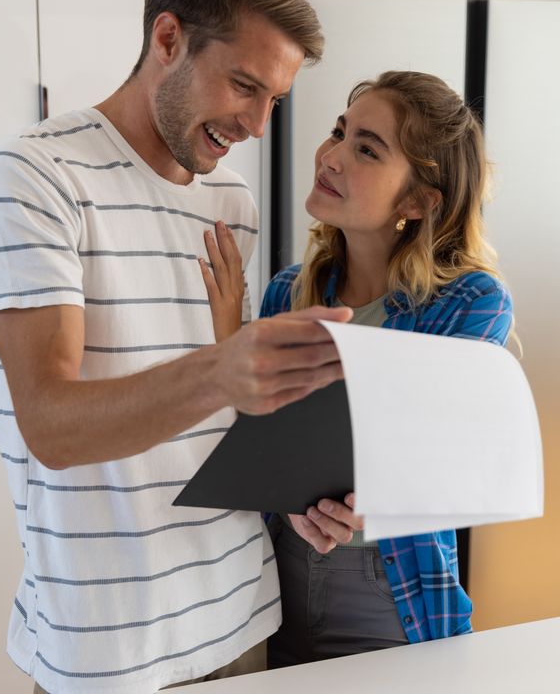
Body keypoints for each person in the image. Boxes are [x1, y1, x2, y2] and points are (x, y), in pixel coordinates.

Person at [0, 0, 362, 692]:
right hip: (108, 650)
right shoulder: (31, 177)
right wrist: (221, 368)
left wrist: (298, 489)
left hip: (242, 618)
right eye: (244, 85)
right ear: (168, 39)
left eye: (276, 100)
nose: (259, 126)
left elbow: (215, 424)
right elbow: (52, 426)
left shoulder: (230, 199)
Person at [199, 70, 514, 667]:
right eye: (339, 133)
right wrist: (227, 339)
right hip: (275, 583)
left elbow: (445, 457)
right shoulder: (289, 292)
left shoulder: (470, 302)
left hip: (391, 594)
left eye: (366, 148)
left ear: (420, 201)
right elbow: (258, 439)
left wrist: (381, 496)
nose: (332, 156)